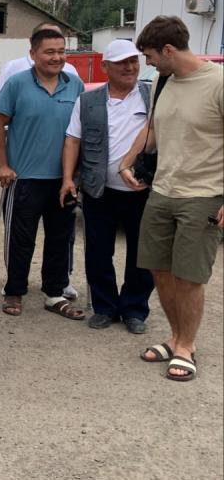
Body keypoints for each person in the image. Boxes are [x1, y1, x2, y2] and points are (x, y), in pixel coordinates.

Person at [119, 16, 223, 382]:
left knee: (189, 276)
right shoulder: (163, 81)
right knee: (159, 269)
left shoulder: (218, 83)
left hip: (204, 195)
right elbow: (153, 129)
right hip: (162, 191)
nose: (145, 64)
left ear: (167, 50)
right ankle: (176, 336)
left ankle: (185, 346)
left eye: (148, 56)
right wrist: (128, 160)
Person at [0, 26, 85, 320]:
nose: (56, 57)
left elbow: (80, 131)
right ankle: (14, 289)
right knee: (21, 238)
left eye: (61, 51)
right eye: (49, 52)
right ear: (33, 54)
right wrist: (2, 164)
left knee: (60, 237)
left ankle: (54, 293)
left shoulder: (75, 85)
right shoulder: (17, 84)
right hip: (24, 177)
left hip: (63, 178)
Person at [60, 39, 153, 333]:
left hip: (143, 192)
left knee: (143, 254)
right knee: (99, 252)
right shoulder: (88, 101)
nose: (130, 67)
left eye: (133, 61)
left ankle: (135, 309)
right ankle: (105, 307)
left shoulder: (152, 97)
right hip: (99, 189)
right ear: (105, 67)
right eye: (122, 62)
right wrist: (67, 179)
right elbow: (73, 139)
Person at [0, 22, 79, 103]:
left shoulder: (71, 72)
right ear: (32, 41)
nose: (56, 58)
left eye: (56, 35)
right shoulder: (12, 68)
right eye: (50, 52)